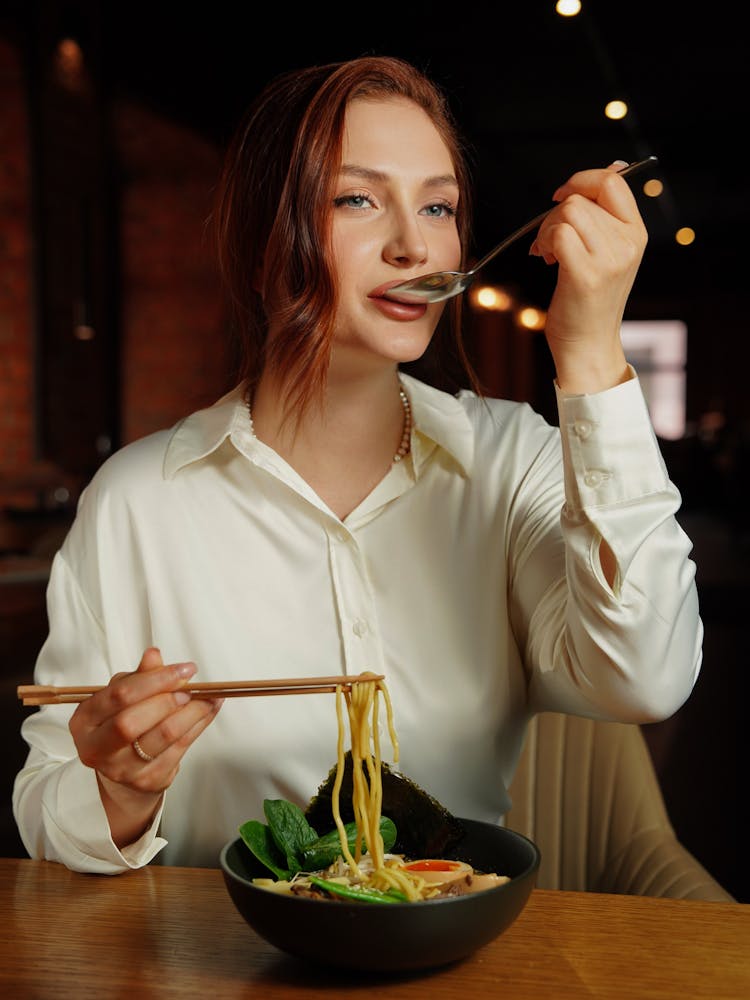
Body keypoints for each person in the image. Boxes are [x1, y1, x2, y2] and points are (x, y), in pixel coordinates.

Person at [13, 55, 702, 873]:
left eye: (438, 205)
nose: (415, 244)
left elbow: (645, 679)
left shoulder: (515, 461)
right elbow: (46, 814)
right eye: (358, 199)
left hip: (455, 953)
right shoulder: (136, 500)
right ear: (266, 231)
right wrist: (118, 794)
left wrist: (588, 352)